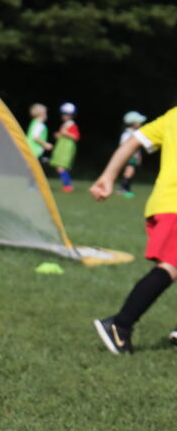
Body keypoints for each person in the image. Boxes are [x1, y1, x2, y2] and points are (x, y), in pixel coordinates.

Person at [90, 108, 177, 354]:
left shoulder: (172, 116)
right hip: (175, 208)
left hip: (163, 204)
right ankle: (119, 324)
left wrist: (108, 176)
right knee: (171, 266)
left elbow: (134, 140)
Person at [51, 102, 80, 192]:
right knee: (59, 167)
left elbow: (76, 137)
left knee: (61, 167)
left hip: (67, 149)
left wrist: (66, 133)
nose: (63, 116)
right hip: (61, 148)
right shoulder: (65, 125)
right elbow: (62, 135)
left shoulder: (72, 125)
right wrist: (58, 135)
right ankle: (67, 185)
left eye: (65, 114)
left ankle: (68, 185)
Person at [118, 111, 148, 197]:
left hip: (133, 157)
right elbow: (124, 146)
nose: (141, 123)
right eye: (139, 122)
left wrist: (138, 156)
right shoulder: (127, 134)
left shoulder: (134, 133)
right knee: (129, 172)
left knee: (130, 172)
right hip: (129, 157)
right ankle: (124, 189)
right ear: (133, 123)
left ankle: (125, 188)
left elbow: (137, 149)